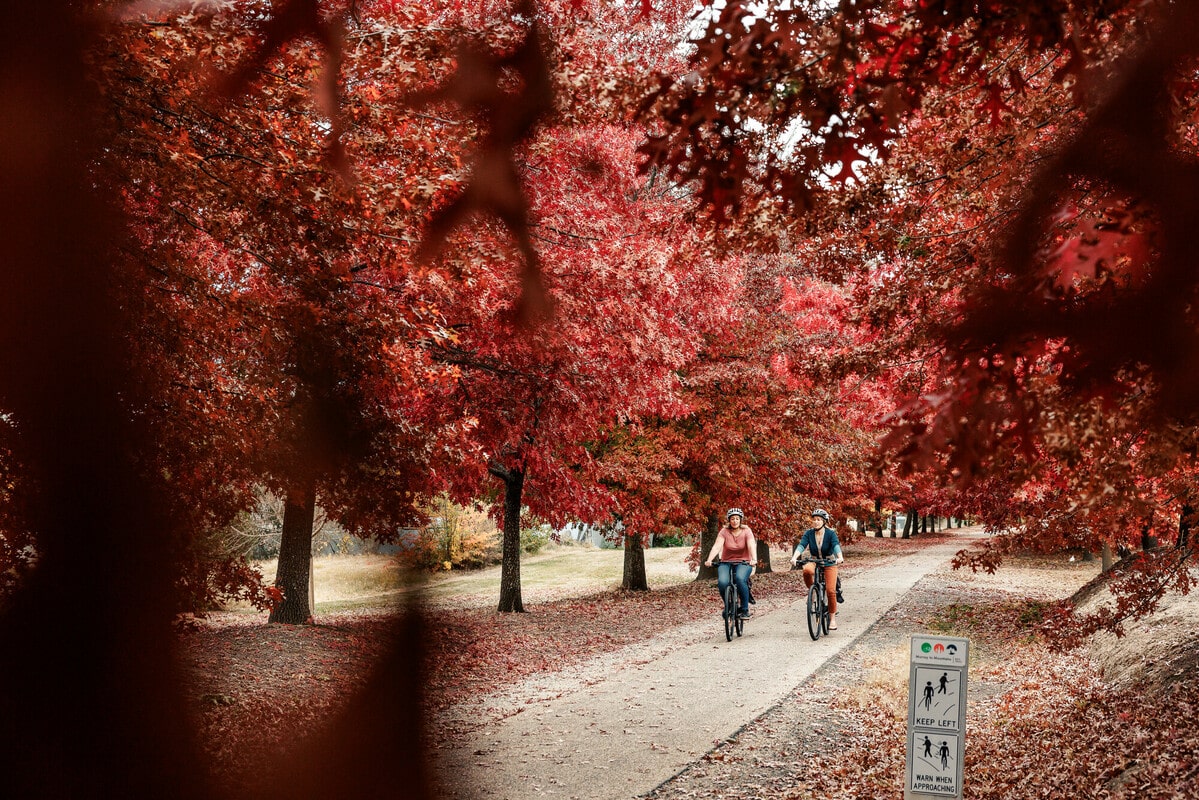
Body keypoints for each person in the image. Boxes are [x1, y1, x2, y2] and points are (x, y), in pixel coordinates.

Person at [790, 508, 844, 629]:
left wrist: (839, 557)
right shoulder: (809, 533)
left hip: (829, 562)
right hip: (814, 560)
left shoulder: (830, 533)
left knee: (830, 591)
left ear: (824, 521)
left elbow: (835, 545)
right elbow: (802, 545)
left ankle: (832, 619)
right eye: (814, 520)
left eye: (819, 520)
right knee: (807, 570)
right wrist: (794, 557)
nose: (816, 522)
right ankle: (812, 592)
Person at [704, 507, 757, 619]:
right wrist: (709, 559)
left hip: (744, 562)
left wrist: (754, 559)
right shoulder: (724, 532)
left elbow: (751, 545)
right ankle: (729, 605)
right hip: (726, 562)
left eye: (737, 519)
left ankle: (744, 610)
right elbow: (717, 546)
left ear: (740, 520)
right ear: (729, 520)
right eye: (732, 519)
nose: (735, 521)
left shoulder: (747, 531)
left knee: (740, 579)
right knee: (722, 582)